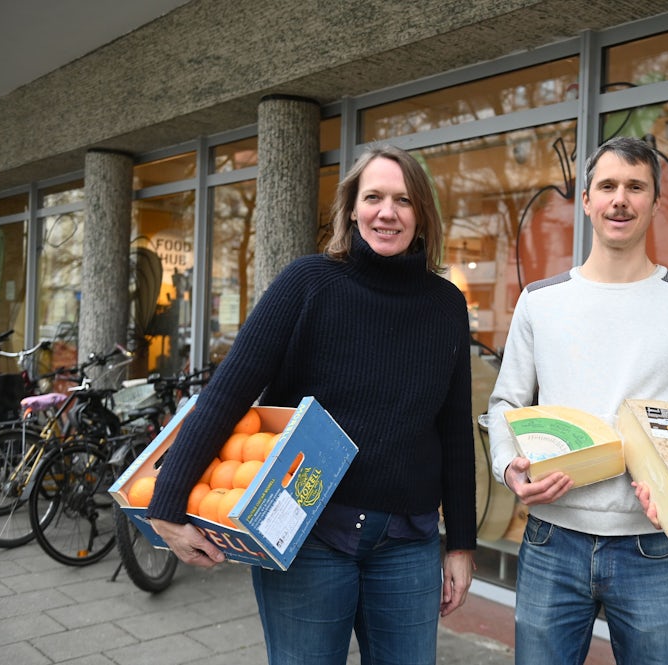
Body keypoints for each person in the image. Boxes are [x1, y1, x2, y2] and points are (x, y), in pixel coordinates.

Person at [145, 144, 477, 665]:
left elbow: (455, 428)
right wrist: (166, 502)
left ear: (421, 215)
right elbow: (230, 391)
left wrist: (460, 543)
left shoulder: (446, 303)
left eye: (403, 200)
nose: (387, 212)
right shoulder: (307, 284)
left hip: (408, 542)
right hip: (306, 532)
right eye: (373, 197)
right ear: (351, 208)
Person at [486, 135, 668, 665]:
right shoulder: (540, 301)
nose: (620, 198)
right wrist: (511, 470)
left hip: (651, 544)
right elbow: (505, 404)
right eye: (607, 186)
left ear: (654, 202)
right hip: (552, 539)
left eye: (635, 187)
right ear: (586, 200)